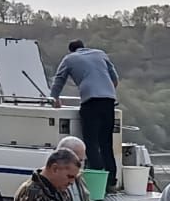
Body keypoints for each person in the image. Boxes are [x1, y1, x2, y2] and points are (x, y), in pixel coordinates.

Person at [49, 40, 120, 191]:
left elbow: (59, 80)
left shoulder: (69, 59)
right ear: (84, 46)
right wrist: (105, 90)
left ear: (71, 50)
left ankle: (97, 180)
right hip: (109, 101)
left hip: (91, 101)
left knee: (91, 142)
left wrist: (54, 98)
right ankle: (112, 181)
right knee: (106, 143)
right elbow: (115, 79)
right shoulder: (100, 54)